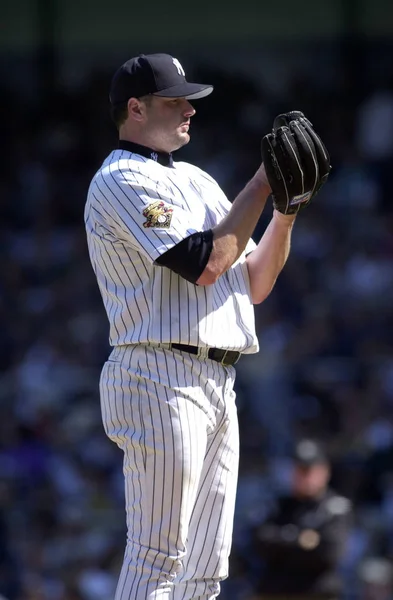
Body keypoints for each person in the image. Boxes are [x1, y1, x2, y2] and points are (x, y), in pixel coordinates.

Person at [84, 52, 327, 600]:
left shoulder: (197, 179)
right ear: (135, 109)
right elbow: (205, 264)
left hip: (216, 379)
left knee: (205, 568)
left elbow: (255, 282)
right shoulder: (121, 178)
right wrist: (264, 182)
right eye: (176, 101)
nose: (190, 110)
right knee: (158, 556)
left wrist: (286, 209)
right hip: (158, 374)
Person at [251, 439, 352, 600]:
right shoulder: (278, 505)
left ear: (325, 471)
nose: (304, 476)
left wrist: (282, 541)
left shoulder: (335, 507)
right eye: (299, 470)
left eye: (309, 470)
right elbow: (259, 542)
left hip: (316, 593)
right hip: (273, 592)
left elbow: (329, 553)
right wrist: (301, 540)